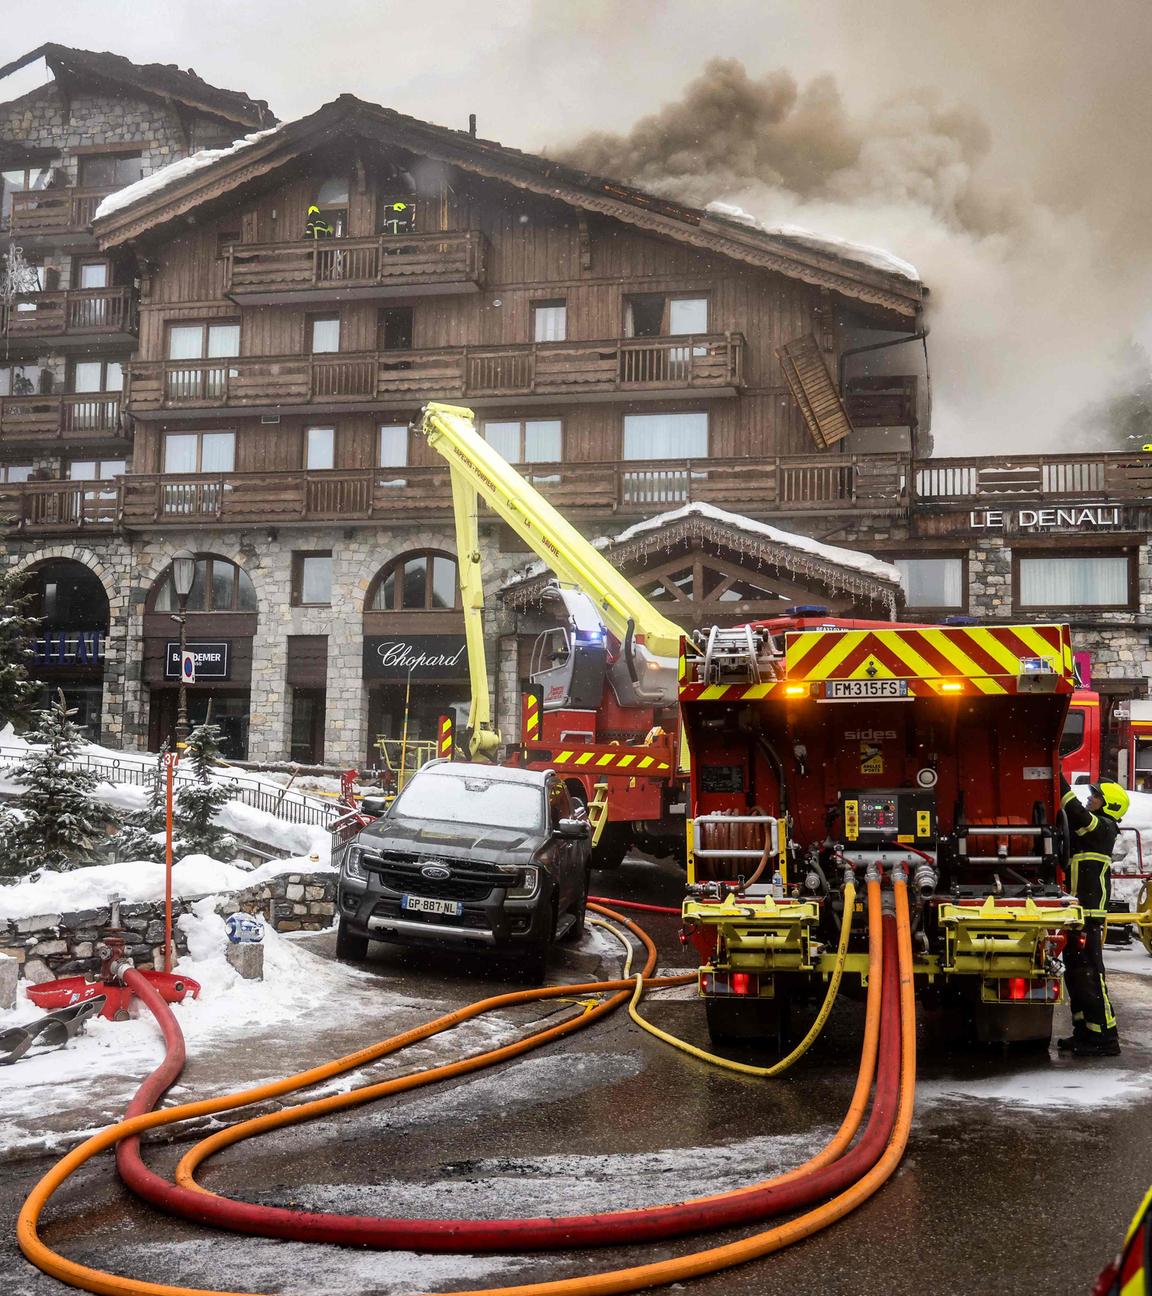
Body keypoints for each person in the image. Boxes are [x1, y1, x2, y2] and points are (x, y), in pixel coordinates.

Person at [1058, 774, 1128, 1057]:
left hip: (1089, 915)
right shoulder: (1092, 831)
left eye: (1095, 796)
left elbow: (1075, 812)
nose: (1090, 799)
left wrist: (1058, 778)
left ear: (1108, 805)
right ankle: (1085, 1032)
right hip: (1078, 913)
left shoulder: (1104, 828)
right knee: (1075, 974)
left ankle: (1105, 1038)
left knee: (1089, 975)